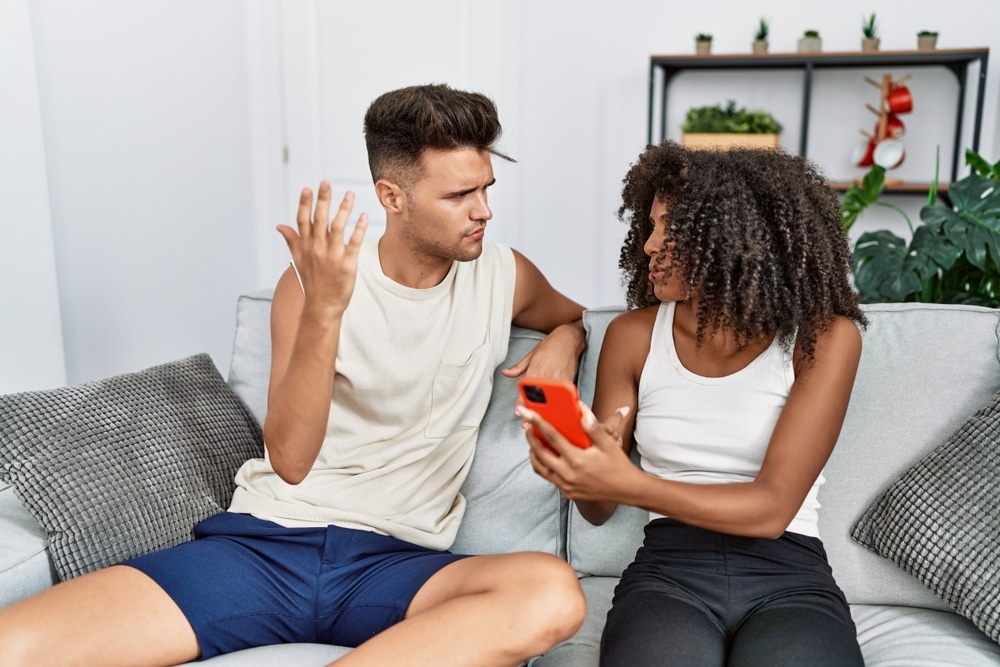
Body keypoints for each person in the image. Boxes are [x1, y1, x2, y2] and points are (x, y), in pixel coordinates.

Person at [0, 83, 587, 667]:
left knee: (550, 593)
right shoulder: (309, 285)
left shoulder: (503, 275)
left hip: (397, 566)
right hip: (263, 549)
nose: (484, 210)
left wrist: (566, 339)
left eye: (485, 188)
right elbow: (290, 460)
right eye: (459, 195)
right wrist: (325, 310)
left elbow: (579, 317)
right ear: (392, 196)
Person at [518, 142, 868, 666]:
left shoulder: (823, 339)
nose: (649, 246)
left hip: (789, 576)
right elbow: (599, 509)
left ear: (733, 238)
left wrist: (628, 482)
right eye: (650, 226)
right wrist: (581, 466)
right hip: (669, 574)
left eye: (671, 229)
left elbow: (772, 510)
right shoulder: (632, 336)